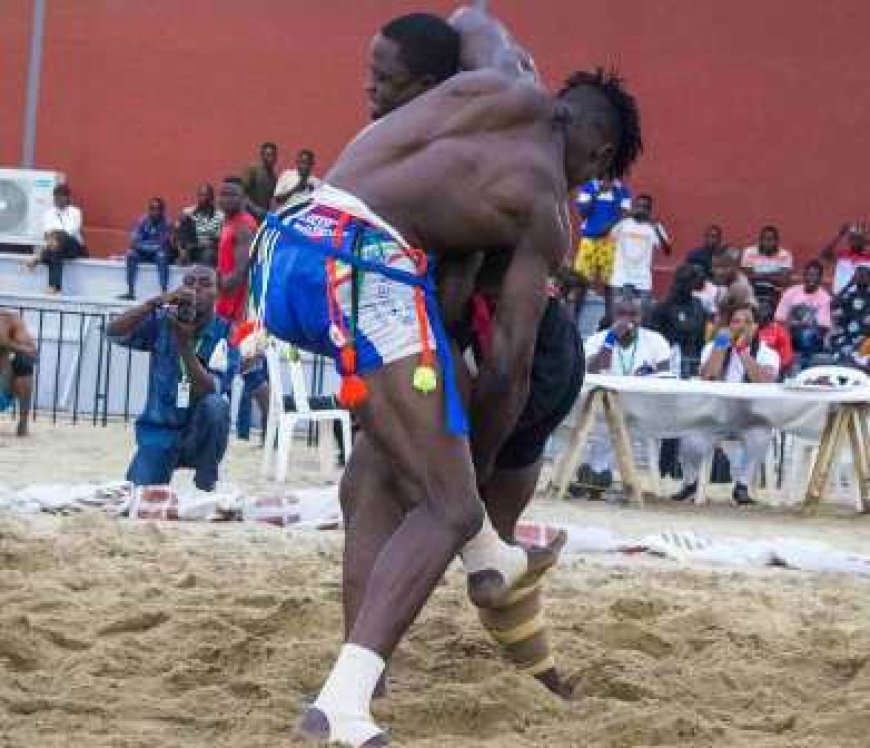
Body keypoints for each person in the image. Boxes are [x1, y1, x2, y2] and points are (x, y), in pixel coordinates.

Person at [251, 4, 642, 742]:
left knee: (380, 486)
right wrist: (471, 469)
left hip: (290, 248)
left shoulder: (502, 74)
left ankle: (487, 563)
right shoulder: (548, 212)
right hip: (372, 277)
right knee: (451, 503)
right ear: (596, 161)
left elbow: (468, 13)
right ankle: (345, 703)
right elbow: (508, 370)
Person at [332, 7, 585, 700]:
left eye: (385, 79)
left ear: (431, 82)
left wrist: (460, 467)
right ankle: (543, 679)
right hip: (525, 344)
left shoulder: (474, 132)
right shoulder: (479, 129)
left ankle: (359, 688)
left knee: (393, 496)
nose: (371, 91)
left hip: (510, 346)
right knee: (483, 544)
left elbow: (495, 344)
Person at [107, 266, 237, 492]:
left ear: (218, 292)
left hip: (199, 432)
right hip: (160, 431)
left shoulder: (227, 333)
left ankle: (206, 477)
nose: (195, 288)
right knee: (138, 497)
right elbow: (113, 332)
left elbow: (211, 389)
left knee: (216, 406)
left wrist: (184, 346)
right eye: (188, 282)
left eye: (205, 284)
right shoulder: (162, 320)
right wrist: (153, 303)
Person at [673, 299, 779, 505]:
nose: (741, 326)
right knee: (690, 440)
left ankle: (742, 486)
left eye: (747, 322)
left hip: (750, 417)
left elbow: (764, 381)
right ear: (728, 326)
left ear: (756, 327)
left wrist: (742, 352)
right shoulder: (714, 347)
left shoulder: (768, 353)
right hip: (714, 415)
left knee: (762, 435)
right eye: (735, 322)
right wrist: (721, 346)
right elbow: (707, 377)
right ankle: (690, 483)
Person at [573, 290, 670, 496]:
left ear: (641, 317)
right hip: (600, 409)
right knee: (610, 421)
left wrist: (648, 375)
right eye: (621, 314)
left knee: (619, 422)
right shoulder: (597, 339)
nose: (627, 320)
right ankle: (598, 474)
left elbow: (666, 376)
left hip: (643, 409)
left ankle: (595, 474)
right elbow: (589, 372)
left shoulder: (656, 341)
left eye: (632, 314)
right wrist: (610, 341)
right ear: (612, 316)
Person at [215, 176, 269, 441]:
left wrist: (220, 283)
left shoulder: (245, 225)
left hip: (238, 312)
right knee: (251, 374)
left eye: (231, 194)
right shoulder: (229, 222)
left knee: (232, 371)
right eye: (222, 194)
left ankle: (215, 426)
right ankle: (273, 429)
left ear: (243, 198)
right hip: (231, 310)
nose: (225, 199)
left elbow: (241, 269)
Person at [571, 176, 632, 324]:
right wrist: (597, 193)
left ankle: (609, 321)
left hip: (611, 242)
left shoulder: (623, 190)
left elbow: (625, 214)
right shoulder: (589, 187)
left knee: (610, 283)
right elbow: (583, 212)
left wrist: (608, 227)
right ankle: (574, 319)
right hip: (589, 241)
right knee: (581, 281)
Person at [609, 192, 670, 311]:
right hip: (620, 277)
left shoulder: (654, 226)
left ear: (650, 210)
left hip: (643, 279)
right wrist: (625, 216)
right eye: (639, 206)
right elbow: (607, 234)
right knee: (617, 313)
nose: (642, 210)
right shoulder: (623, 223)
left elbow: (667, 250)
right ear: (634, 206)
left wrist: (655, 227)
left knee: (642, 314)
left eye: (645, 207)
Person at [650, 263, 708, 377]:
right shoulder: (664, 306)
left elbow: (700, 339)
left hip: (693, 361)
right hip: (667, 363)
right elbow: (654, 340)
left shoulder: (698, 305)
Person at [27, 183, 86, 293]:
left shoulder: (75, 212)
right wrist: (53, 240)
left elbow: (71, 230)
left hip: (74, 247)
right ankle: (54, 287)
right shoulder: (48, 213)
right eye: (55, 197)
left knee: (60, 237)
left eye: (60, 197)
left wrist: (55, 236)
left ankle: (39, 257)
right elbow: (47, 233)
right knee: (56, 251)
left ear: (67, 198)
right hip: (56, 247)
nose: (57, 200)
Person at [775, 260, 831, 369]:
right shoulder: (791, 292)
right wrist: (791, 327)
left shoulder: (825, 297)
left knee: (807, 336)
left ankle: (803, 369)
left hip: (811, 335)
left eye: (816, 276)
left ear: (820, 279)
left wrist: (802, 326)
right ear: (804, 276)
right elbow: (779, 318)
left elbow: (822, 327)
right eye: (809, 275)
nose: (812, 279)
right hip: (789, 330)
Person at [121, 197, 173, 300]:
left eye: (158, 209)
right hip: (143, 253)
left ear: (162, 211)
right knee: (131, 254)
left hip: (157, 254)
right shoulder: (142, 220)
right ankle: (130, 291)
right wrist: (146, 246)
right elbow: (134, 241)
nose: (155, 212)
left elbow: (162, 244)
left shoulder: (167, 222)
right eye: (152, 209)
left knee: (161, 255)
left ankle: (164, 292)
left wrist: (144, 245)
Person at [0, 310, 36, 437]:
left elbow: (31, 351)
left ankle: (23, 423)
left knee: (24, 360)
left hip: (3, 387)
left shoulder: (9, 319)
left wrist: (6, 344)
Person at [829, 265, 870, 365]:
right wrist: (849, 284)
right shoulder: (849, 295)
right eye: (858, 275)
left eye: (864, 275)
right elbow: (833, 304)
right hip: (846, 336)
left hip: (865, 338)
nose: (861, 277)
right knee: (839, 351)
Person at [741, 225, 793, 302]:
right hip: (752, 289)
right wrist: (774, 275)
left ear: (777, 241)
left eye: (771, 239)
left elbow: (783, 280)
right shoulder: (749, 252)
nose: (768, 242)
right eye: (765, 239)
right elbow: (747, 276)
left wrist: (758, 275)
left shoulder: (785, 255)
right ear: (760, 240)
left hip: (775, 291)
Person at [176, 184, 223, 267]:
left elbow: (219, 239)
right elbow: (178, 233)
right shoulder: (188, 212)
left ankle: (205, 279)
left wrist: (208, 243)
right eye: (200, 195)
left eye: (205, 195)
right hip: (190, 249)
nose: (203, 198)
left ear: (212, 197)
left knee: (208, 254)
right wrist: (181, 250)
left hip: (209, 249)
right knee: (182, 256)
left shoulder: (219, 216)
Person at [821, 222, 870, 294]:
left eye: (858, 238)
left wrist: (867, 241)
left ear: (863, 241)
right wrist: (839, 235)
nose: (855, 241)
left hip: (863, 298)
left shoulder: (868, 258)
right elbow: (824, 254)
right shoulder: (841, 255)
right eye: (853, 238)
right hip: (840, 298)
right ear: (849, 240)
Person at [757, 293, 794, 376]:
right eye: (760, 311)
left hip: (772, 369)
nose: (763, 314)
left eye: (766, 311)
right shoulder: (750, 329)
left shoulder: (780, 331)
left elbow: (786, 357)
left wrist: (775, 368)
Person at [241, 142, 279, 221]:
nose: (271, 158)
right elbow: (241, 192)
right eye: (268, 155)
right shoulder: (253, 170)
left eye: (273, 155)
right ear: (262, 156)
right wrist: (254, 208)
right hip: (248, 216)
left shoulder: (273, 177)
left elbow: (272, 199)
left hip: (262, 218)